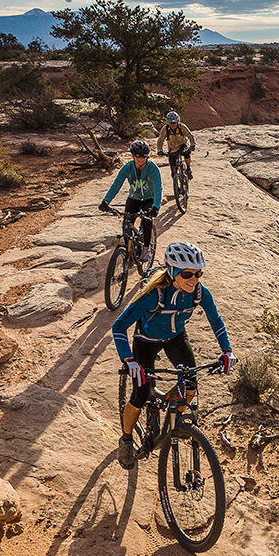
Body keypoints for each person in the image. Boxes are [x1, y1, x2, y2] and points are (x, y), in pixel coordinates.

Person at [111, 241, 236, 469]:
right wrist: (129, 360)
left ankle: (173, 418)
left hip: (175, 338)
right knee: (139, 394)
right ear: (172, 272)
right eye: (187, 274)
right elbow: (119, 327)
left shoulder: (199, 292)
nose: (194, 279)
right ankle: (126, 440)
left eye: (198, 273)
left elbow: (216, 320)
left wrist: (227, 350)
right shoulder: (153, 295)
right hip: (146, 342)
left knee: (190, 386)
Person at [100, 139, 162, 264]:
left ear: (147, 156)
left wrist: (156, 206)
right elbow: (116, 185)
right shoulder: (127, 168)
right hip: (134, 198)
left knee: (147, 221)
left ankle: (145, 248)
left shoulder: (153, 169)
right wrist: (106, 201)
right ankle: (129, 252)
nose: (141, 159)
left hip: (148, 199)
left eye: (144, 157)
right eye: (137, 157)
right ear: (132, 156)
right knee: (126, 226)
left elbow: (158, 188)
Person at [157, 110, 195, 179]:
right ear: (168, 123)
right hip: (172, 149)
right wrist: (160, 150)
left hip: (182, 146)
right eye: (171, 123)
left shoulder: (182, 127)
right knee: (173, 172)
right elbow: (160, 140)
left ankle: (188, 169)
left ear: (177, 121)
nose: (173, 125)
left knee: (187, 153)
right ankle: (176, 187)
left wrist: (192, 145)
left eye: (174, 123)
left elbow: (190, 136)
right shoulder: (165, 129)